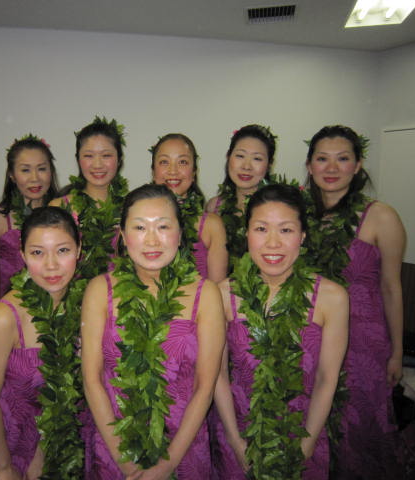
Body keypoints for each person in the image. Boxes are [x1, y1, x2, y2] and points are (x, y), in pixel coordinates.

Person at [81, 184, 225, 479]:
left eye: (163, 226)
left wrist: (167, 465)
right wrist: (126, 464)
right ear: (123, 237)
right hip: (115, 448)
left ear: (180, 234)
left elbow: (205, 386)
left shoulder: (206, 294)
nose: (151, 240)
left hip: (183, 449)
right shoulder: (99, 290)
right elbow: (92, 380)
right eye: (139, 227)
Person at [212, 184, 349, 480]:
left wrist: (306, 445)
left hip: (303, 433)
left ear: (302, 236)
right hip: (239, 434)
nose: (273, 243)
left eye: (286, 230)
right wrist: (235, 440)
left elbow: (327, 379)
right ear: (246, 233)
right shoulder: (222, 294)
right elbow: (217, 374)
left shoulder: (332, 298)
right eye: (261, 229)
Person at [0, 207, 84, 480]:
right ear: (22, 256)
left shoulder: (81, 304)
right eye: (37, 252)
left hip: (41, 434)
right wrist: (4, 467)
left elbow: (65, 387)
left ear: (79, 250)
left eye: (62, 250)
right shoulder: (5, 317)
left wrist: (40, 450)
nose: (51, 265)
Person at [304, 125, 406, 479]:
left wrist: (397, 351)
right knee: (312, 427)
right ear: (310, 166)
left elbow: (391, 288)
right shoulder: (298, 216)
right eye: (322, 159)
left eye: (342, 159)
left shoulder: (381, 217)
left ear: (358, 165)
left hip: (363, 344)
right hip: (311, 340)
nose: (332, 168)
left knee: (358, 431)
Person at [49, 116, 128, 279]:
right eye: (89, 156)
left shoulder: (131, 208)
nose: (97, 164)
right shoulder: (59, 207)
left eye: (106, 155)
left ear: (119, 159)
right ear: (78, 159)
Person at [0, 134, 59, 296]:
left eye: (42, 169)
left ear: (51, 171)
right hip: (8, 305)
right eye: (25, 170)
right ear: (12, 175)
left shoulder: (63, 212)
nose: (35, 178)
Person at [150, 133, 228, 282]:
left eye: (183, 162)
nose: (173, 170)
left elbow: (219, 289)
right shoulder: (135, 221)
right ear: (153, 172)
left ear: (194, 172)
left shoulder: (212, 225)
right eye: (164, 162)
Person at [206, 124, 277, 260]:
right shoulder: (214, 207)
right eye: (240, 156)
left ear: (269, 164)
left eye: (257, 158)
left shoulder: (279, 207)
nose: (246, 166)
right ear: (228, 157)